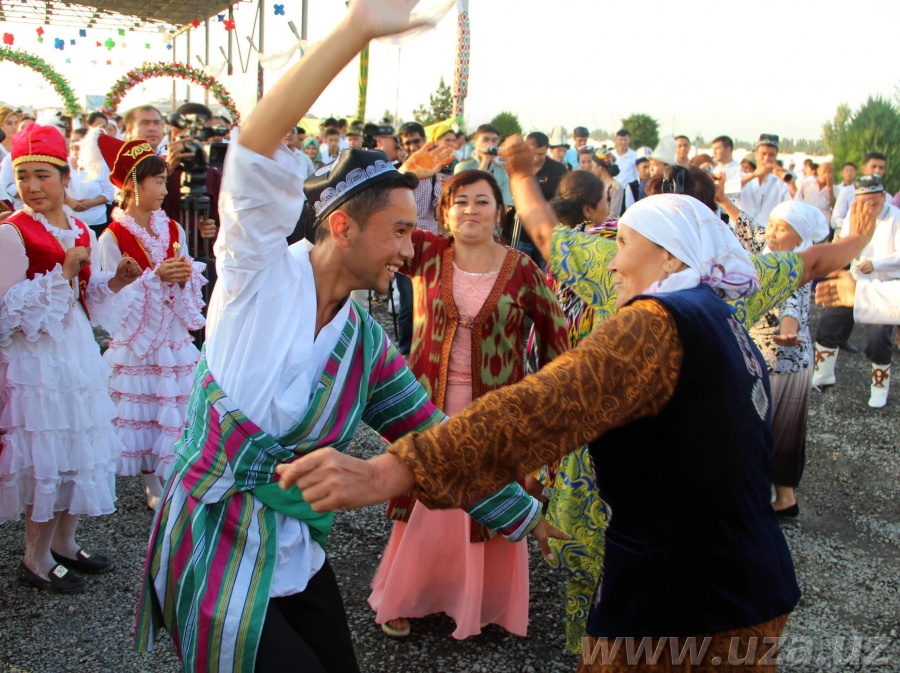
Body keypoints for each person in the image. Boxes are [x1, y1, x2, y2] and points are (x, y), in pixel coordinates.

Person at [135, 5, 555, 671]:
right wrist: (355, 30)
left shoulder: (363, 341)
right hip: (214, 539)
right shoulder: (256, 273)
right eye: (397, 231)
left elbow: (429, 429)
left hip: (293, 547)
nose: (409, 248)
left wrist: (522, 507)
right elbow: (253, 148)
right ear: (340, 228)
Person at [278, 193, 805, 673]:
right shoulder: (718, 315)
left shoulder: (657, 324)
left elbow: (538, 411)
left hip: (684, 601)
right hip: (749, 583)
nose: (615, 263)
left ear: (672, 257)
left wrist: (394, 469)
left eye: (623, 245)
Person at [370, 169, 569, 640]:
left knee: (488, 505)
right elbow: (379, 224)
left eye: (482, 202)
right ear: (444, 212)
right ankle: (404, 596)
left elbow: (558, 340)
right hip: (425, 407)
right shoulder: (426, 254)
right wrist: (404, 168)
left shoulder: (523, 269)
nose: (471, 211)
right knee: (422, 501)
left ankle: (479, 602)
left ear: (501, 213)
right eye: (459, 202)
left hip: (496, 416)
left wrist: (546, 409)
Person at [0, 124, 140, 594]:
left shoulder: (79, 226)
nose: (34, 187)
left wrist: (115, 280)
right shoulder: (11, 234)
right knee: (48, 454)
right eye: (24, 178)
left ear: (64, 177)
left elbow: (87, 296)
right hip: (36, 361)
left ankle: (65, 542)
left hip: (75, 349)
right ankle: (35, 558)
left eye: (43, 175)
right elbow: (6, 313)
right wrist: (63, 273)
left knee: (81, 445)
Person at [85, 129, 207, 510]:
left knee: (175, 398)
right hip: (138, 332)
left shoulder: (171, 227)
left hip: (170, 330)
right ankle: (151, 477)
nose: (164, 189)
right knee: (145, 401)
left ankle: (175, 468)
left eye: (164, 181)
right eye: (157, 181)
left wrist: (184, 276)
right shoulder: (112, 236)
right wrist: (155, 277)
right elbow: (110, 295)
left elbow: (186, 269)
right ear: (134, 185)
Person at [725, 197, 830, 518]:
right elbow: (751, 231)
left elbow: (792, 307)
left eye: (781, 229)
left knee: (775, 429)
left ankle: (776, 498)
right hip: (767, 359)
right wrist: (721, 200)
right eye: (770, 224)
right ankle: (782, 496)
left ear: (800, 239)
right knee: (778, 428)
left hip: (784, 361)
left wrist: (788, 330)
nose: (770, 232)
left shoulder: (795, 266)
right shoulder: (770, 249)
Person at [812, 174, 899, 408]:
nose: (869, 207)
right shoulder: (853, 213)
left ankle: (880, 385)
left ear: (883, 197)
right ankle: (823, 373)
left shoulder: (896, 218)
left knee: (878, 338)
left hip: (884, 286)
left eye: (875, 201)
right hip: (854, 280)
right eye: (863, 202)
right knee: (828, 322)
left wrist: (877, 264)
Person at [66, 128, 114, 236]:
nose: (75, 145)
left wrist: (91, 203)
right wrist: (69, 201)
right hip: (69, 222)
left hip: (97, 222)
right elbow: (55, 190)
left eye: (80, 142)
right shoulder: (64, 164)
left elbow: (109, 193)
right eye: (73, 140)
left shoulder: (100, 165)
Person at [454, 124, 513, 206]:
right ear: (474, 143)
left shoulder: (501, 170)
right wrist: (485, 161)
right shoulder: (463, 167)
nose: (490, 144)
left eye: (494, 141)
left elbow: (505, 204)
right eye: (485, 140)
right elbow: (464, 193)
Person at [739, 134, 792, 224]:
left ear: (776, 157)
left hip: (768, 234)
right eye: (763, 154)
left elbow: (792, 206)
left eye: (771, 155)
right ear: (755, 154)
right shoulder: (742, 176)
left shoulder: (780, 183)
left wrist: (791, 183)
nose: (766, 158)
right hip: (742, 233)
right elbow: (726, 192)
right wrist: (755, 175)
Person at [816, 271, 900, 324]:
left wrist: (863, 294)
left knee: (878, 339)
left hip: (884, 278)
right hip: (861, 279)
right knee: (826, 329)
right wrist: (861, 294)